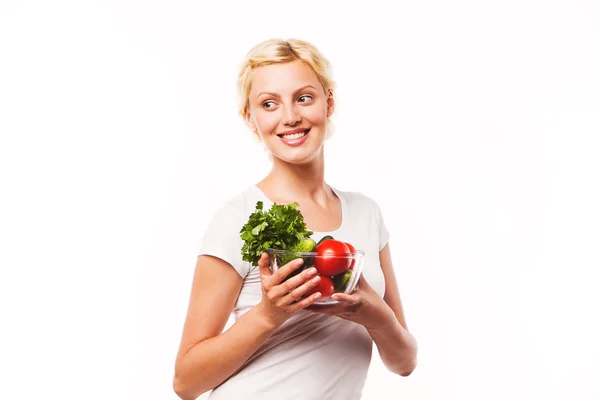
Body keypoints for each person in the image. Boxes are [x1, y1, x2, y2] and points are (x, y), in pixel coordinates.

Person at [173, 38, 418, 400]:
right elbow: (186, 383)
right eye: (269, 104)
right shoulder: (240, 219)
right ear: (250, 118)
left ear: (328, 102)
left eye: (303, 97)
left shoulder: (366, 214)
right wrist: (269, 315)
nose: (290, 117)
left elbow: (404, 362)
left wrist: (375, 314)